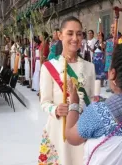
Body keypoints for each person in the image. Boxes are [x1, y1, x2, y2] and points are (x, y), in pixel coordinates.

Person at [39, 16, 95, 165]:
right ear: (60, 35)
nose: (75, 38)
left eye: (79, 34)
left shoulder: (89, 67)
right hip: (58, 130)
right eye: (70, 33)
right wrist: (56, 109)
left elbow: (91, 99)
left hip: (81, 129)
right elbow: (44, 102)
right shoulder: (48, 67)